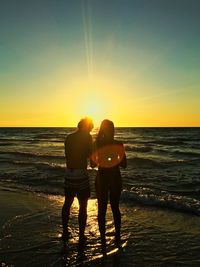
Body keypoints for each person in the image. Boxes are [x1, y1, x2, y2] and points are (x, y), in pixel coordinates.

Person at [91, 119, 127, 249]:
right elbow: (124, 165)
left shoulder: (96, 143)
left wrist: (102, 158)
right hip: (115, 177)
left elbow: (92, 164)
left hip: (102, 178)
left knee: (102, 209)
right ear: (113, 129)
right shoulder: (118, 143)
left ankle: (103, 238)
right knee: (115, 207)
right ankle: (117, 236)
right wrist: (114, 159)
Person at [61, 117, 94, 247]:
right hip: (81, 173)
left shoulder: (69, 137)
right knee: (83, 206)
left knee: (67, 203)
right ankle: (81, 235)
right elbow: (90, 158)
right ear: (89, 126)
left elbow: (68, 155)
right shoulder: (88, 137)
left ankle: (65, 231)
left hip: (69, 173)